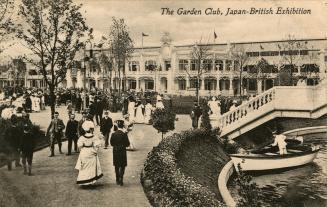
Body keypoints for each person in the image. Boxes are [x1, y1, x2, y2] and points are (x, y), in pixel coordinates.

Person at [75, 121, 103, 186]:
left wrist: (82, 151)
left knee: (84, 166)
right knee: (91, 167)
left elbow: (79, 146)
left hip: (84, 152)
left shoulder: (81, 138)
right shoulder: (94, 137)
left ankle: (83, 181)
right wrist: (95, 151)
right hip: (91, 151)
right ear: (91, 129)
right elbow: (98, 145)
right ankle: (90, 181)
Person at [110, 120, 130, 186]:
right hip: (122, 150)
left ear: (117, 126)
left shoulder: (113, 134)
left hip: (115, 150)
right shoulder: (124, 134)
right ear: (123, 126)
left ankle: (117, 179)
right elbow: (127, 144)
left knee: (116, 165)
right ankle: (121, 178)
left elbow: (111, 143)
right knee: (122, 165)